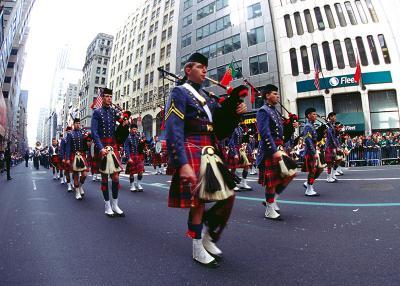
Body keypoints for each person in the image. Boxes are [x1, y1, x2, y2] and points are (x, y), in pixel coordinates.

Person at [165, 52, 247, 267]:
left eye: (205, 68)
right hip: (191, 147)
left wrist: (236, 110)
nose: (204, 71)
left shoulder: (208, 98)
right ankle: (197, 247)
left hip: (210, 149)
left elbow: (220, 128)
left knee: (228, 196)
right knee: (199, 202)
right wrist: (181, 162)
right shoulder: (179, 92)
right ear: (188, 69)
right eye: (200, 67)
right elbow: (173, 128)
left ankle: (209, 237)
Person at [256, 84, 297, 220]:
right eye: (274, 93)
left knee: (290, 173)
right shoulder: (263, 111)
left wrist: (291, 125)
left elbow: (282, 134)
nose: (277, 96)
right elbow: (265, 133)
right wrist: (274, 151)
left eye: (277, 94)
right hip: (270, 149)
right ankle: (269, 209)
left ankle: (273, 200)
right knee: (272, 182)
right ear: (267, 95)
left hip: (279, 147)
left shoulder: (274, 111)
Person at [91, 88, 127, 217]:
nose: (109, 98)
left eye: (110, 96)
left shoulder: (113, 112)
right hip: (102, 146)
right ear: (102, 98)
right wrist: (100, 148)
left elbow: (123, 123)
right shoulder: (97, 112)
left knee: (116, 177)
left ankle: (115, 205)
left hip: (113, 145)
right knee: (105, 178)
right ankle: (107, 206)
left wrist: (125, 120)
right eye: (106, 96)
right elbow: (94, 132)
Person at [66, 118, 89, 200]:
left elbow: (88, 142)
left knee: (84, 174)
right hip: (73, 155)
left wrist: (87, 136)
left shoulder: (83, 133)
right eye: (76, 123)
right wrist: (68, 158)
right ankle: (77, 192)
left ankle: (80, 186)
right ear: (73, 124)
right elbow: (68, 147)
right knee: (75, 175)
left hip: (82, 154)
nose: (78, 124)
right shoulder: (70, 134)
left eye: (79, 123)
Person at [302, 108, 323, 196]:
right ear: (308, 116)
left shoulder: (312, 125)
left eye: (315, 114)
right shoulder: (307, 126)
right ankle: (309, 189)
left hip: (314, 149)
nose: (315, 116)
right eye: (313, 114)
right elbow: (307, 140)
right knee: (312, 170)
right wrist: (313, 152)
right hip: (310, 152)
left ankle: (308, 184)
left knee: (320, 169)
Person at [124, 123, 145, 192]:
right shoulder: (127, 137)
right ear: (130, 129)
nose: (135, 130)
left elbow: (140, 147)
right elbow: (126, 148)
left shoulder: (138, 137)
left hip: (138, 156)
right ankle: (132, 185)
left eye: (136, 129)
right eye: (133, 129)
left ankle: (138, 184)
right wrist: (128, 157)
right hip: (131, 156)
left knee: (141, 171)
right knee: (132, 173)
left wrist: (142, 142)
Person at [325, 112, 340, 183]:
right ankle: (328, 177)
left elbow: (335, 136)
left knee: (339, 159)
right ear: (330, 117)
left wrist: (337, 130)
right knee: (330, 162)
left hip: (334, 145)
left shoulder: (332, 125)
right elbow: (331, 137)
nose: (335, 118)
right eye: (334, 116)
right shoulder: (328, 125)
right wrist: (336, 147)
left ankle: (333, 174)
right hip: (329, 146)